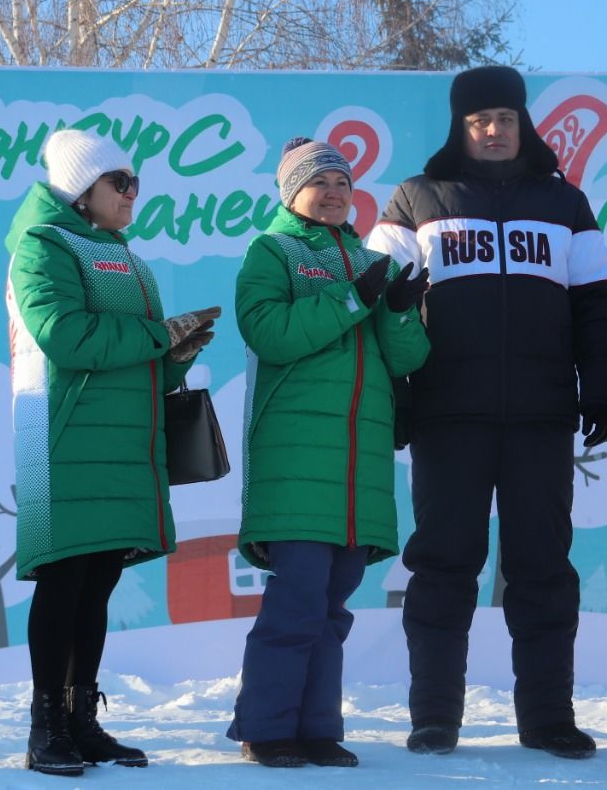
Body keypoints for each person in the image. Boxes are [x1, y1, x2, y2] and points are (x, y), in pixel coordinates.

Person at [365, 65, 607, 759]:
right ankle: (434, 717)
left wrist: (603, 386)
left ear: (523, 124)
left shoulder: (565, 203)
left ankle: (548, 718)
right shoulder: (416, 199)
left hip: (541, 418)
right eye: (479, 119)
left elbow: (597, 303)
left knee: (543, 570)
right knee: (443, 566)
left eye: (505, 118)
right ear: (460, 126)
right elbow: (374, 301)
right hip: (447, 416)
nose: (493, 130)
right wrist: (393, 394)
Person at [6, 128, 221, 776]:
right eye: (119, 182)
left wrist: (173, 356)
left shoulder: (126, 256)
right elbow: (65, 337)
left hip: (126, 442)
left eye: (134, 181)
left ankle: (81, 721)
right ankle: (46, 726)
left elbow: (134, 359)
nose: (133, 193)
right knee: (64, 576)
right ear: (80, 190)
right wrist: (157, 335)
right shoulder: (41, 245)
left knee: (97, 581)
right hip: (64, 438)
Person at [225, 137, 430, 768]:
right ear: (292, 193)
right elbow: (270, 333)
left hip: (359, 465)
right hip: (296, 459)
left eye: (343, 182)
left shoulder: (372, 262)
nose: (336, 192)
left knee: (333, 606)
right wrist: (351, 299)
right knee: (296, 601)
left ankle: (317, 729)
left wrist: (398, 312)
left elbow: (410, 359)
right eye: (321, 183)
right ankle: (266, 728)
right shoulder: (272, 251)